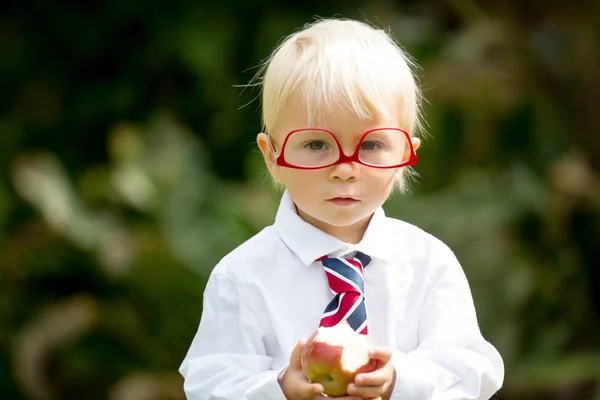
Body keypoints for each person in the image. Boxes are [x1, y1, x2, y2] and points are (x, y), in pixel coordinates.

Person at [179, 17, 504, 400]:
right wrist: (279, 389)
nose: (345, 169)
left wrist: (400, 379)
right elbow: (210, 385)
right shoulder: (241, 278)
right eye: (316, 145)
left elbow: (474, 371)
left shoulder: (430, 264)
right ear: (273, 157)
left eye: (370, 146)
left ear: (405, 154)